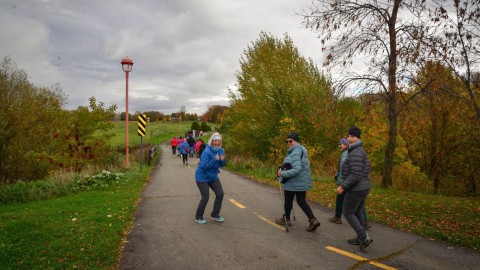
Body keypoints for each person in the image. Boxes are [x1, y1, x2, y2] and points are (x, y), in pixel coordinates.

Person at [336, 126, 373, 250]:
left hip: (356, 188)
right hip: (363, 186)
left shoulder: (356, 152)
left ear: (358, 138)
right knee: (357, 211)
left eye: (353, 136)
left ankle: (363, 237)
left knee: (348, 212)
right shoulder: (358, 150)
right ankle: (360, 237)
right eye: (348, 136)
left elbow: (355, 174)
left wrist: (343, 186)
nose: (349, 138)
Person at [276, 131, 320, 232]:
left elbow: (296, 169)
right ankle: (313, 220)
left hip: (293, 182)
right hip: (301, 182)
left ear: (295, 141)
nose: (288, 143)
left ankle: (286, 219)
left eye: (290, 141)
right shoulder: (301, 150)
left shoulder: (295, 152)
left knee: (288, 200)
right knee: (301, 201)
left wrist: (281, 173)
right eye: (286, 141)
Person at [194, 132, 226, 224]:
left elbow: (222, 165)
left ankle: (215, 214)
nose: (217, 143)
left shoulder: (221, 150)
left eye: (218, 141)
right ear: (212, 141)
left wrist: (222, 160)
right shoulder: (207, 151)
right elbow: (203, 166)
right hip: (202, 177)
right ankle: (198, 217)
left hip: (213, 176)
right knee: (205, 197)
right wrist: (214, 160)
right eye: (215, 141)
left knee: (220, 194)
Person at [329, 137, 349, 224]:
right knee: (355, 200)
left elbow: (342, 168)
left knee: (340, 198)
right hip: (349, 180)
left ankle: (337, 217)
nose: (340, 145)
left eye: (341, 144)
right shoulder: (349, 152)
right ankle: (364, 220)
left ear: (345, 144)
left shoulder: (345, 153)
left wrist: (340, 179)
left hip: (344, 180)